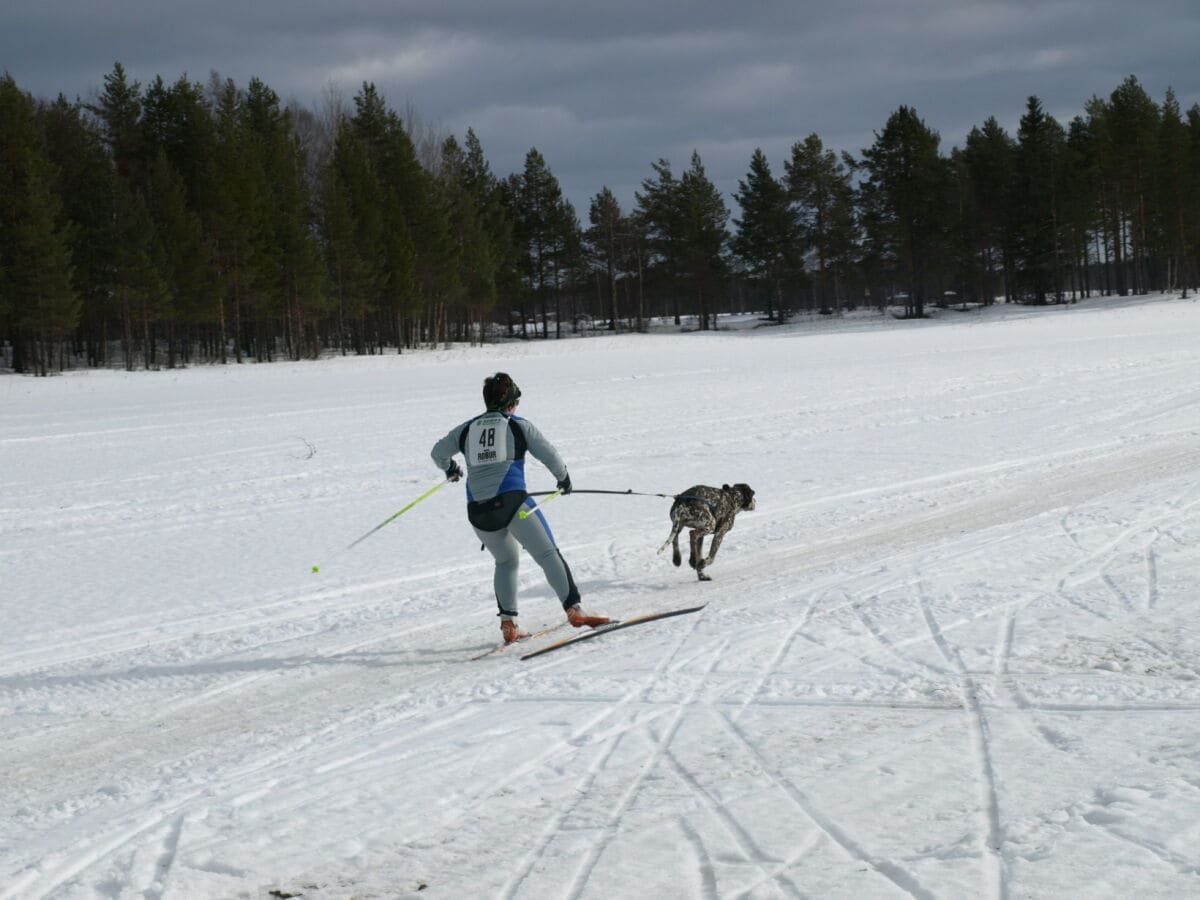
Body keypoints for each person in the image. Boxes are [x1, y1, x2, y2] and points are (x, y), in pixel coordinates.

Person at [431, 373, 610, 644]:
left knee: (505, 562)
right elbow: (549, 454)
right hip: (513, 503)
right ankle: (574, 610)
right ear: (511, 402)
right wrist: (563, 479)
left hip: (479, 513)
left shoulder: (466, 429)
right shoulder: (518, 425)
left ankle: (509, 624)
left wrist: (451, 469)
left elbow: (437, 452)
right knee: (548, 554)